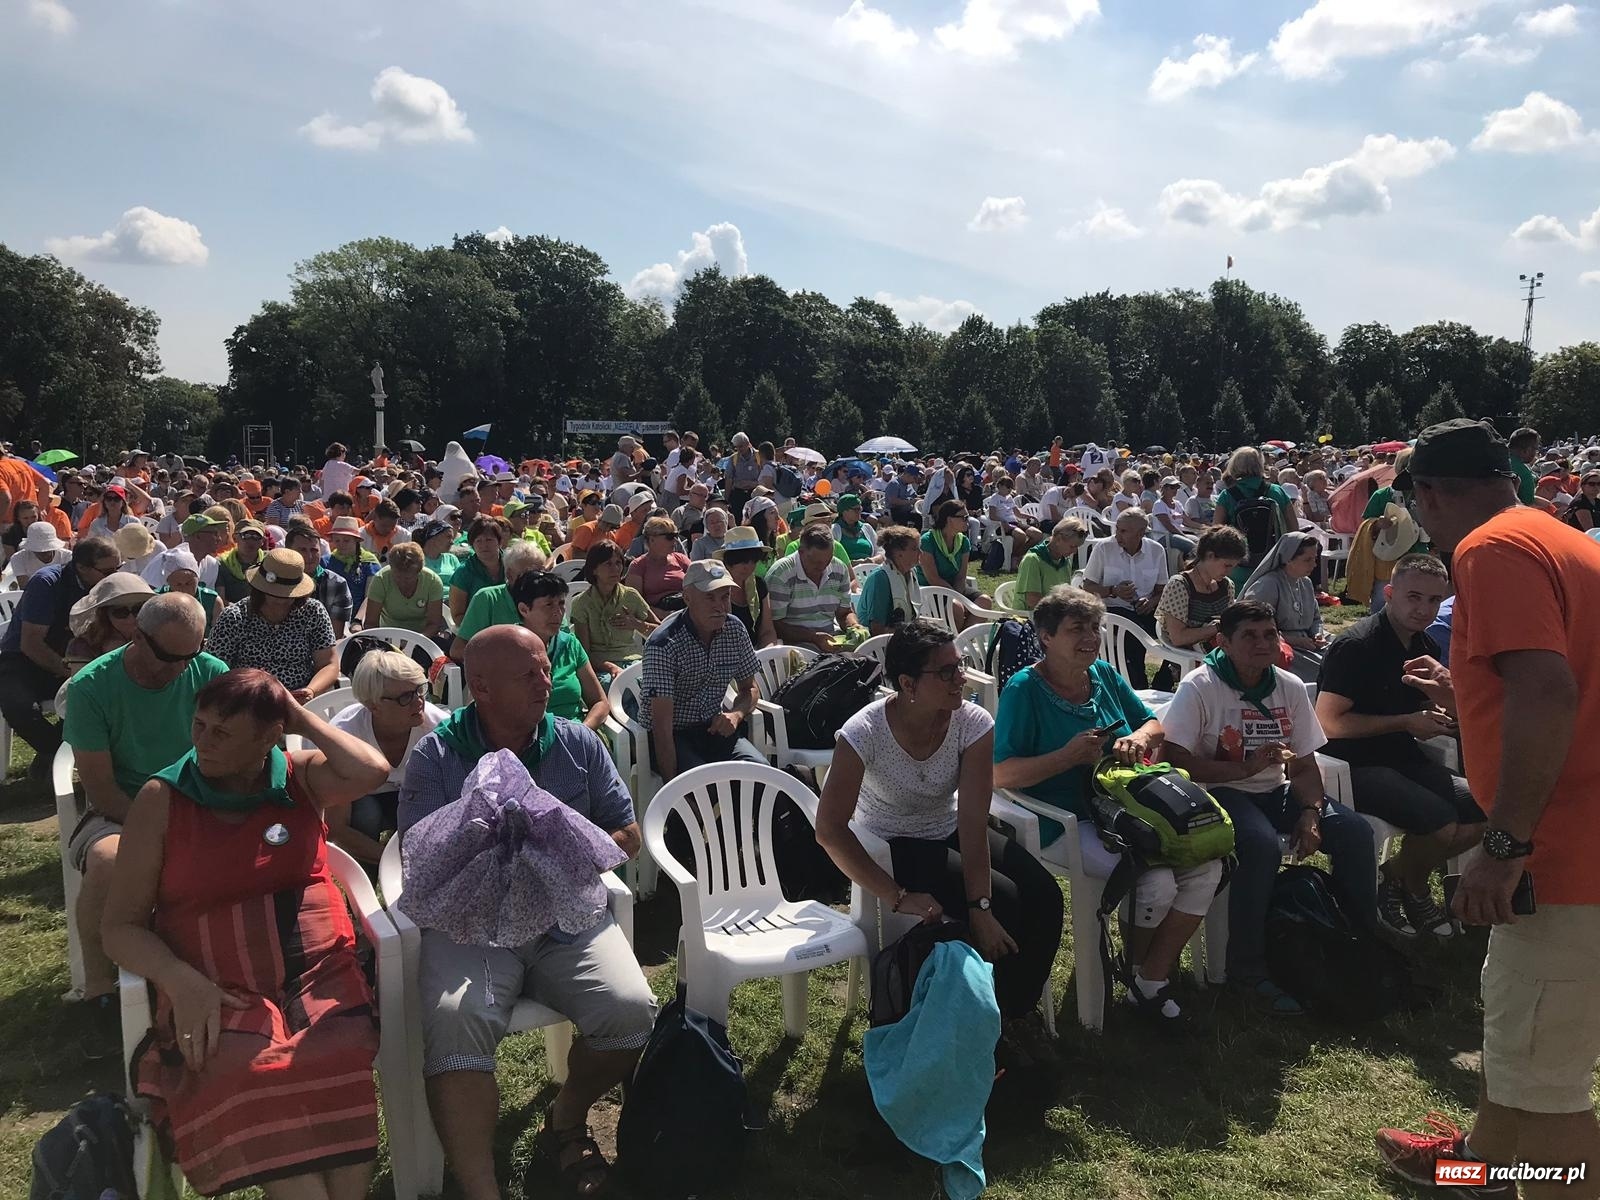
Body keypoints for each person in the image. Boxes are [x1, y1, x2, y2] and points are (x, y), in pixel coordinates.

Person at [1373, 420, 1600, 1194]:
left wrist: (1504, 847)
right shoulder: (1562, 538)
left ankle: (1520, 1173)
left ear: (1430, 494)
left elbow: (1547, 691)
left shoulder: (1490, 550)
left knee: (1549, 1099)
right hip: (1580, 841)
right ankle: (1478, 1173)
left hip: (1564, 857)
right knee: (1521, 1056)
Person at [100, 669, 391, 1199]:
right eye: (200, 724)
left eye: (222, 732)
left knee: (338, 1047)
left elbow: (372, 769)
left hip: (313, 973)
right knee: (244, 1065)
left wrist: (299, 714)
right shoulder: (162, 799)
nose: (202, 742)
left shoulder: (298, 779)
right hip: (212, 983)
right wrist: (179, 981)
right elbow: (119, 926)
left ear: (267, 738)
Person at [398, 626, 654, 1200]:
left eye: (546, 667)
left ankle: (566, 1117)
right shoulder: (437, 754)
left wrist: (557, 841)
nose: (547, 682)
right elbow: (416, 851)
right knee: (454, 1020)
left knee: (630, 1013)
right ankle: (482, 1187)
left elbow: (627, 831)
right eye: (530, 674)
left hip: (566, 917)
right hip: (472, 924)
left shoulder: (576, 743)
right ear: (481, 688)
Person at [816, 620, 1064, 1035]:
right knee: (1006, 900)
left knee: (1044, 895)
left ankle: (1011, 1013)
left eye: (960, 665)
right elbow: (829, 829)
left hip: (947, 826)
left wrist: (977, 906)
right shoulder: (865, 732)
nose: (961, 678)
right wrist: (897, 896)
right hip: (892, 842)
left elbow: (971, 818)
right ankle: (991, 1023)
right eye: (946, 672)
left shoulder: (972, 721)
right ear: (909, 684)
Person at [994, 586, 1219, 1021]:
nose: (1091, 638)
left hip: (1127, 807)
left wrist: (1138, 738)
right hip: (1063, 819)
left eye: (1095, 627)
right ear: (1045, 636)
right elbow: (1000, 774)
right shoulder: (1025, 690)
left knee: (1206, 865)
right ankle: (1138, 978)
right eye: (1077, 629)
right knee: (1157, 881)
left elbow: (1153, 723)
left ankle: (1146, 977)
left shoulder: (1102, 674)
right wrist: (1067, 757)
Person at [1160, 600, 1377, 1015]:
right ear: (1222, 642)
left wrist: (1311, 812)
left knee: (1354, 832)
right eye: (1249, 636)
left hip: (1275, 791)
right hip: (1217, 792)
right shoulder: (1201, 686)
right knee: (1258, 845)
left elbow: (1304, 764)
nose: (1263, 644)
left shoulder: (1289, 686)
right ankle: (1247, 968)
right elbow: (1177, 760)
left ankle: (1357, 941)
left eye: (1270, 634)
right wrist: (1244, 767)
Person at [60, 593, 226, 1012]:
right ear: (137, 635)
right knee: (109, 861)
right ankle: (98, 987)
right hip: (121, 808)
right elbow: (102, 791)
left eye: (191, 654)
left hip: (199, 800)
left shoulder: (210, 673)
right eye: (168, 656)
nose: (179, 668)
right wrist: (162, 829)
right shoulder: (91, 687)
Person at [1315, 553, 1482, 941]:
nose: (1423, 609)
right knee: (1441, 821)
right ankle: (1416, 888)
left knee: (1482, 807)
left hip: (1402, 756)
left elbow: (1415, 702)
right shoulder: (1356, 646)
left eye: (1433, 601)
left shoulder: (1423, 645)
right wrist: (1406, 722)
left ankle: (1398, 879)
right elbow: (1329, 722)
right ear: (1389, 593)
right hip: (1351, 765)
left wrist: (1437, 712)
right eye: (1413, 597)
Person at [0, 537, 119, 776]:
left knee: (99, 698)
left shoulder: (106, 586)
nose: (114, 576)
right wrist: (73, 673)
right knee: (18, 706)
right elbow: (31, 643)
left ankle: (55, 755)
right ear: (82, 567)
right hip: (22, 660)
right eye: (108, 571)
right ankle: (57, 752)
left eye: (118, 569)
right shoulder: (46, 583)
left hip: (73, 658)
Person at [642, 560, 763, 780]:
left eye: (725, 596)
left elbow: (750, 689)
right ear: (687, 598)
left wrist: (735, 715)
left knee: (761, 774)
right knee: (701, 787)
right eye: (710, 597)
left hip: (713, 727)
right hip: (674, 733)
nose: (720, 606)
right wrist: (675, 792)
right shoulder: (663, 644)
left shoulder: (735, 629)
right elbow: (661, 728)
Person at [324, 650, 448, 866]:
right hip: (366, 800)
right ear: (373, 706)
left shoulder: (439, 727)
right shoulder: (346, 736)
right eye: (404, 697)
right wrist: (393, 863)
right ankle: (364, 887)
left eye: (420, 689)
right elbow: (336, 828)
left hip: (417, 796)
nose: (419, 702)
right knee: (366, 815)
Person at [205, 547, 339, 704]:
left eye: (288, 594)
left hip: (300, 702)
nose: (281, 600)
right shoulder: (234, 616)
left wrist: (310, 690)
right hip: (245, 701)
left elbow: (329, 664)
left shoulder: (313, 611)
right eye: (275, 594)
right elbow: (214, 670)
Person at [1081, 508, 1174, 692]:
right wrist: (1113, 590)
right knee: (1132, 632)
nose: (1117, 536)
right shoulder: (1104, 548)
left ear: (1140, 533)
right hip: (1112, 609)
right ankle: (1136, 685)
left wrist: (1151, 601)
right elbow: (1087, 586)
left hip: (1145, 609)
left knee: (1176, 630)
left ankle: (1162, 683)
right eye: (1117, 529)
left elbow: (1162, 589)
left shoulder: (1156, 551)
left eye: (1123, 531)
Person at [511, 570, 609, 730]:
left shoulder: (570, 644)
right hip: (526, 741)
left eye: (561, 604)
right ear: (524, 609)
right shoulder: (505, 647)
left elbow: (600, 702)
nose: (558, 612)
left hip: (576, 733)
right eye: (549, 605)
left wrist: (582, 732)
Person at [1241, 532, 1328, 684]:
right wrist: (1296, 641)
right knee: (1325, 670)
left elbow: (1315, 618)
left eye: (1314, 559)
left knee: (1344, 656)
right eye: (1307, 560)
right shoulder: (1267, 585)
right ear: (1289, 559)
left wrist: (1317, 634)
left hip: (1308, 643)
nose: (1314, 564)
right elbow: (1254, 629)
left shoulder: (1305, 583)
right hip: (1281, 648)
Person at [447, 539, 550, 662]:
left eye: (541, 573)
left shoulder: (551, 598)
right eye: (529, 574)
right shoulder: (487, 599)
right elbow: (458, 649)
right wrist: (500, 660)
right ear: (509, 574)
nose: (536, 580)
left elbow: (564, 641)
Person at [569, 540, 658, 678]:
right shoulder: (582, 603)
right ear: (594, 569)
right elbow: (583, 653)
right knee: (609, 686)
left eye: (618, 563)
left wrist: (637, 624)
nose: (615, 569)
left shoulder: (630, 595)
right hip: (600, 667)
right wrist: (611, 667)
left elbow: (661, 631)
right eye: (608, 564)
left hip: (633, 661)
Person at [768, 525, 861, 651]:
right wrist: (813, 637)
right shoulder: (781, 574)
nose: (822, 567)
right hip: (794, 646)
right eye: (815, 562)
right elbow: (775, 625)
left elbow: (844, 612)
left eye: (827, 561)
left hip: (830, 638)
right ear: (801, 552)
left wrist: (854, 627)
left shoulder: (839, 569)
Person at [1213, 447, 1296, 588]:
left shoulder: (1227, 495)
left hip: (1238, 565)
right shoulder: (1277, 491)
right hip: (1272, 563)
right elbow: (1293, 528)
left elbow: (1216, 531)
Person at [1157, 525, 1245, 653]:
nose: (1229, 571)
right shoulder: (1179, 585)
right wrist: (1217, 627)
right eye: (1226, 565)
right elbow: (1178, 638)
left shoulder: (1227, 586)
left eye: (1233, 567)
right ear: (1210, 556)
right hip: (1187, 662)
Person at [64, 573, 154, 674]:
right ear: (105, 615)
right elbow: (81, 684)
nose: (131, 619)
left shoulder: (158, 637)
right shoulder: (84, 645)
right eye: (120, 612)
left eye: (138, 609)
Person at [357, 541, 446, 638]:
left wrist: (416, 640)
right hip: (386, 636)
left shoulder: (433, 581)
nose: (402, 582)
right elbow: (371, 623)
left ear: (419, 571)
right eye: (398, 576)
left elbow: (434, 624)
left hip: (423, 637)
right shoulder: (380, 579)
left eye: (408, 578)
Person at [917, 499, 992, 613]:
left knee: (984, 601)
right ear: (949, 519)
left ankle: (966, 631)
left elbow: (961, 576)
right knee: (956, 608)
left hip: (954, 588)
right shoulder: (927, 541)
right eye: (964, 517)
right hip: (930, 591)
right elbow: (933, 579)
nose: (968, 521)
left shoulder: (963, 542)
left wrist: (958, 596)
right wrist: (956, 598)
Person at [855, 526, 923, 636]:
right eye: (915, 549)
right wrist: (913, 635)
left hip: (903, 636)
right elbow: (877, 629)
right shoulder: (880, 579)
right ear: (898, 553)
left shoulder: (911, 572)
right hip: (878, 644)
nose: (921, 552)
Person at [447, 515, 509, 625]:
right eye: (478, 541)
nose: (484, 545)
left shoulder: (513, 566)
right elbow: (457, 616)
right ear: (472, 544)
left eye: (489, 540)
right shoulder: (463, 573)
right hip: (476, 630)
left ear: (500, 542)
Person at [1016, 516, 1087, 610]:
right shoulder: (1033, 560)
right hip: (1029, 618)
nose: (1075, 552)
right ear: (1058, 539)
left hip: (1054, 615)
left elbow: (1065, 595)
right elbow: (1033, 601)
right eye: (1072, 546)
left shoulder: (1065, 561)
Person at [628, 515, 692, 616]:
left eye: (676, 536)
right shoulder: (638, 566)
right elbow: (636, 604)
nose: (675, 541)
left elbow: (697, 583)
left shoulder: (681, 559)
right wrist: (664, 615)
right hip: (659, 616)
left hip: (685, 610)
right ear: (652, 539)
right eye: (670, 537)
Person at [154, 544, 223, 634]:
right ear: (169, 582)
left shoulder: (213, 601)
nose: (183, 588)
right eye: (178, 584)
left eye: (188, 583)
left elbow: (219, 636)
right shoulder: (157, 599)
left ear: (197, 579)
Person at [213, 518, 269, 604]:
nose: (250, 541)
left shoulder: (270, 561)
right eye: (246, 536)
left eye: (256, 537)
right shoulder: (222, 563)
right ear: (235, 538)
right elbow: (221, 599)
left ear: (263, 541)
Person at [7, 520, 67, 586]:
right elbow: (25, 588)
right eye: (39, 551)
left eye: (47, 550)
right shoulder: (18, 558)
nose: (45, 554)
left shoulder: (68, 557)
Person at [833, 494, 875, 562]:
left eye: (860, 508)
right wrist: (850, 564)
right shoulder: (834, 530)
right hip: (846, 570)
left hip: (869, 568)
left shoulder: (867, 527)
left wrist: (872, 560)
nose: (860, 511)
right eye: (856, 509)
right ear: (844, 511)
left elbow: (881, 552)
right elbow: (832, 557)